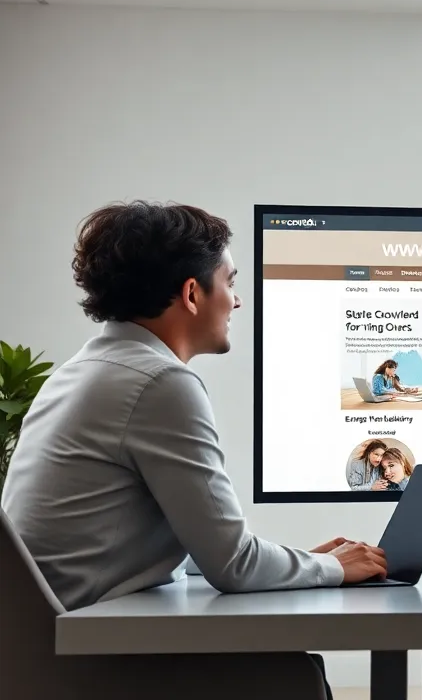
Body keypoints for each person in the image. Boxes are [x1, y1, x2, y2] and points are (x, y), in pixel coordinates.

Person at [0, 201, 386, 698]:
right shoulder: (159, 382)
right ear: (191, 293)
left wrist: (298, 564)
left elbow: (205, 553)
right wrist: (333, 567)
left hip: (45, 650)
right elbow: (233, 565)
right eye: (229, 281)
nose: (237, 300)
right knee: (292, 675)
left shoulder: (82, 372)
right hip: (84, 664)